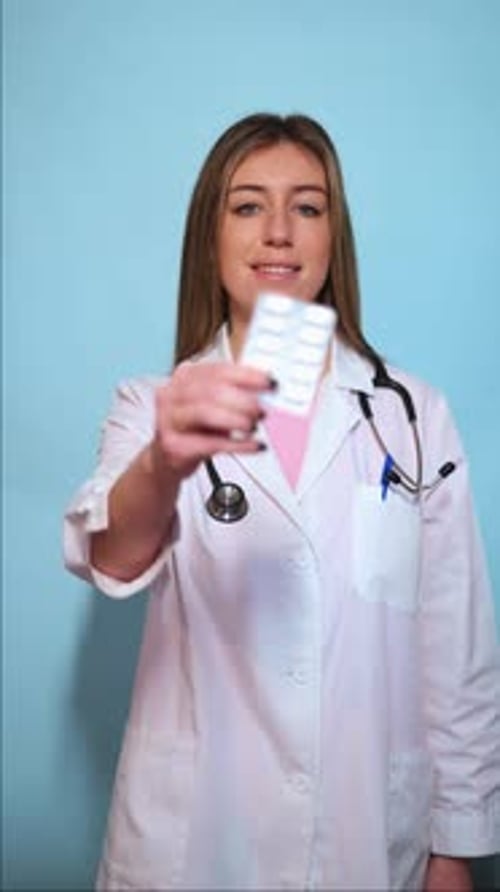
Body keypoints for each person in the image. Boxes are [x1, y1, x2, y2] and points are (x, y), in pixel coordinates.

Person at [64, 113, 500, 892]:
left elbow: (455, 647)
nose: (277, 232)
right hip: (193, 843)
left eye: (306, 206)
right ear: (210, 236)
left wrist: (455, 844)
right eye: (246, 206)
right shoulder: (150, 406)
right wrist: (167, 460)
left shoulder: (411, 414)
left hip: (366, 839)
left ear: (334, 238)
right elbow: (111, 555)